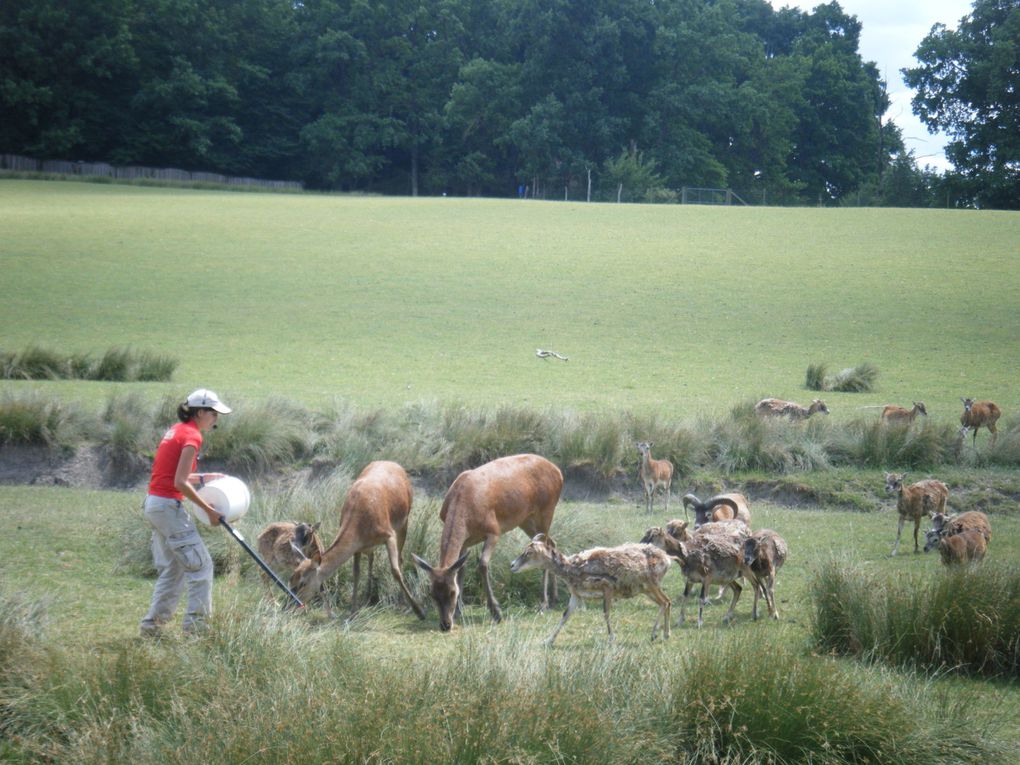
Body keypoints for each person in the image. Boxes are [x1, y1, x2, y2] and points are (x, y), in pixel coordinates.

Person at [139, 388, 232, 637]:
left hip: (154, 505)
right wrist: (208, 509)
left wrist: (203, 477)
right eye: (213, 414)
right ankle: (197, 631)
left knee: (173, 569)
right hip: (169, 507)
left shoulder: (175, 431)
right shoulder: (192, 437)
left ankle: (152, 627)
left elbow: (171, 475)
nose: (216, 420)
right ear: (200, 412)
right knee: (201, 567)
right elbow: (180, 482)